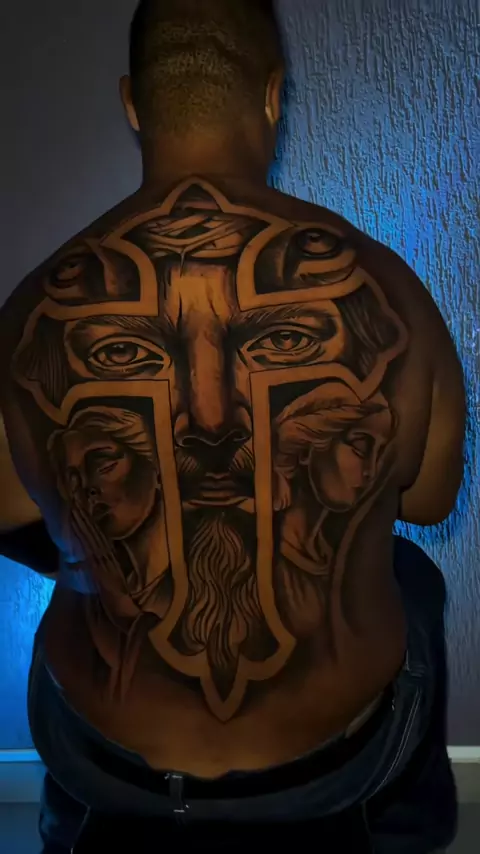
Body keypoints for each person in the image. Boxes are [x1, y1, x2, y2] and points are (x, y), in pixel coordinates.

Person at [0, 1, 465, 851]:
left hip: (108, 755)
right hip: (331, 762)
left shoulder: (35, 305)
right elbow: (431, 497)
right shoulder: (388, 287)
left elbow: (2, 507)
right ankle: (406, 830)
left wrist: (97, 542)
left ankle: (78, 826)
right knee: (410, 572)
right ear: (273, 94)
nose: (211, 423)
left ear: (133, 103)